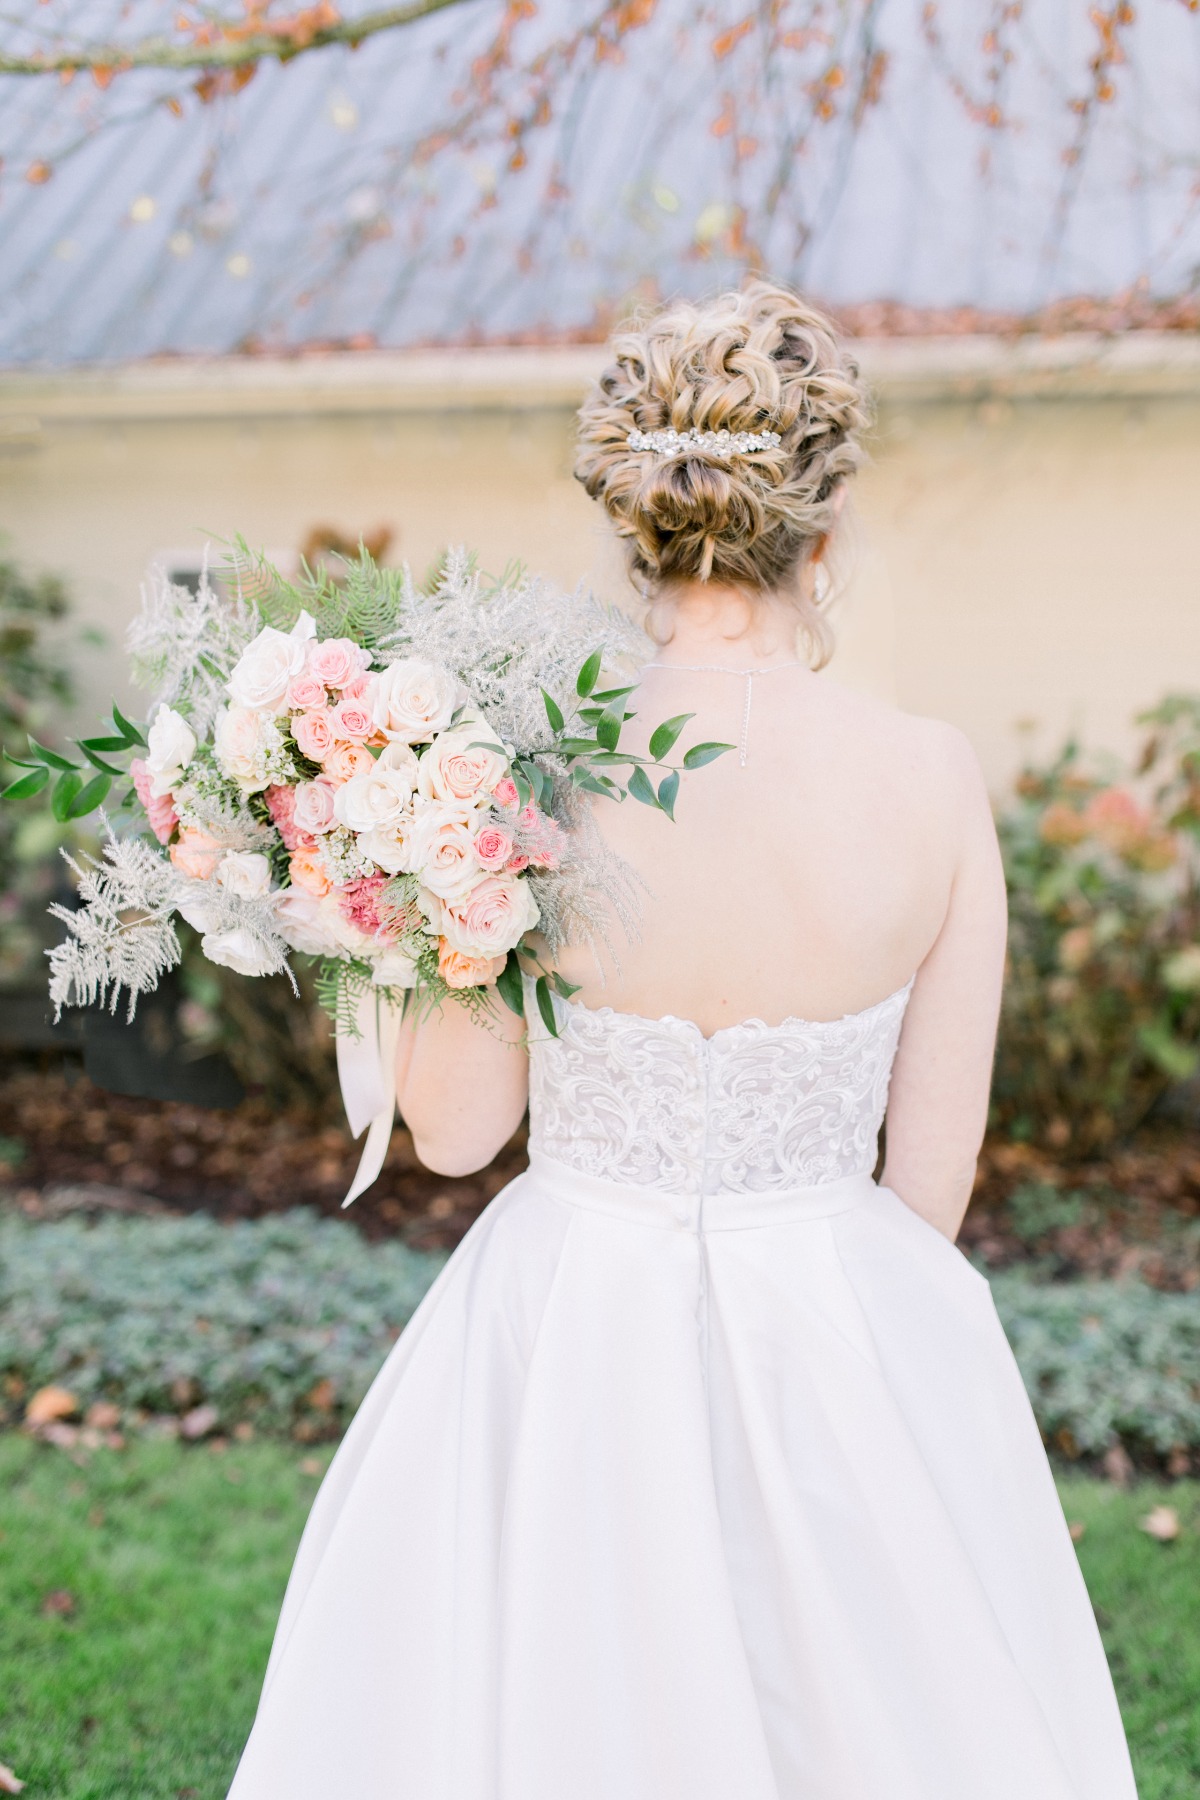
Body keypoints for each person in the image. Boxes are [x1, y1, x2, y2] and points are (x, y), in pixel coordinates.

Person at [228, 282, 1138, 1799]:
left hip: (564, 1326)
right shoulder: (929, 777)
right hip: (838, 1319)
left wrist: (383, 903)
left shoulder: (517, 767)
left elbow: (454, 1136)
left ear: (630, 530)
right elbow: (930, 1180)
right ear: (825, 530)